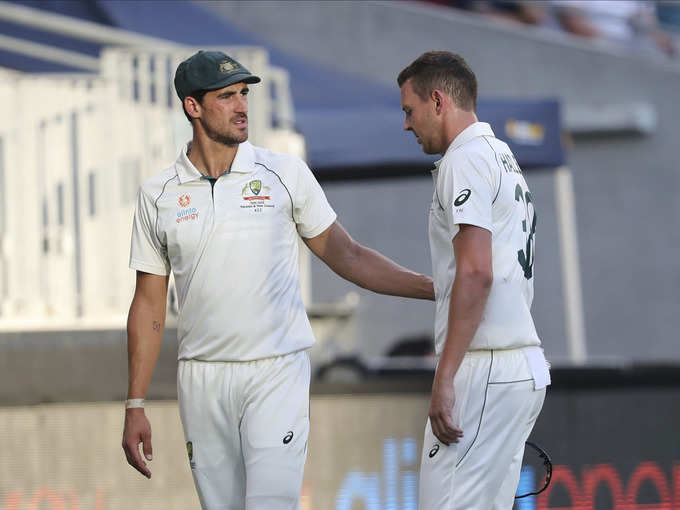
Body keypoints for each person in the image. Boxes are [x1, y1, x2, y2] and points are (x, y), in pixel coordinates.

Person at [121, 50, 434, 510]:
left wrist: (432, 288)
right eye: (226, 96)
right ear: (193, 106)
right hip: (202, 380)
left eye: (244, 94)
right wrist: (135, 404)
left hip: (276, 371)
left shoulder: (284, 173)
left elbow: (348, 255)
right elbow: (148, 304)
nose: (242, 106)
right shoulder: (157, 195)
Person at [397, 51, 550, 509]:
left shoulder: (463, 160)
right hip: (521, 365)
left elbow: (477, 271)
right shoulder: (502, 155)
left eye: (410, 110)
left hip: (484, 368)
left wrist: (445, 375)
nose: (406, 124)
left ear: (439, 101)